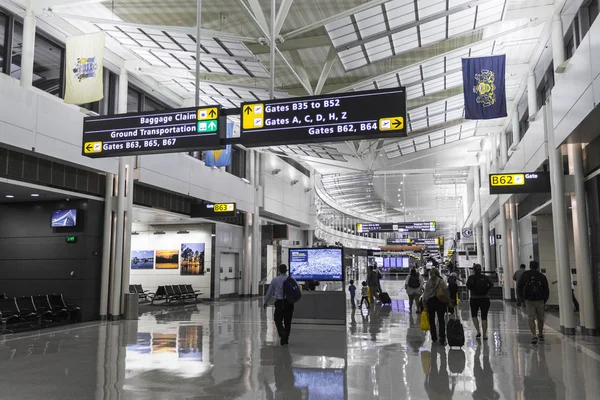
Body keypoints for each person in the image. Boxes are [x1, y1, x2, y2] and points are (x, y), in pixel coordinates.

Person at [263, 264, 297, 346]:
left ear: (278, 270)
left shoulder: (275, 280)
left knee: (277, 319)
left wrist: (265, 301)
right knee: (287, 321)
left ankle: (282, 333)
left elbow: (269, 292)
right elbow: (297, 291)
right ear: (286, 270)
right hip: (289, 302)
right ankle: (285, 338)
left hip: (279, 302)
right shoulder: (292, 279)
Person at [517, 260, 550, 344]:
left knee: (531, 318)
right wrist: (544, 300)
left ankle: (534, 335)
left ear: (530, 266)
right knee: (540, 318)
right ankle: (541, 333)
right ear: (537, 266)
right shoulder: (541, 276)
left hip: (529, 300)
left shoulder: (525, 275)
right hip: (540, 300)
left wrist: (522, 298)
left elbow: (519, 287)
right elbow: (546, 289)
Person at [466, 264, 494, 340]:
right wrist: (486, 290)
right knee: (484, 316)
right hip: (485, 298)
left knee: (474, 315)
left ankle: (478, 331)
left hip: (474, 298)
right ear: (481, 269)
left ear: (473, 270)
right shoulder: (485, 277)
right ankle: (484, 335)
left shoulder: (471, 277)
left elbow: (468, 286)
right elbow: (491, 284)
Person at [422, 268, 449, 345]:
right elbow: (446, 290)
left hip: (430, 302)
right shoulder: (441, 281)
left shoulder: (428, 282)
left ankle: (434, 338)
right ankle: (442, 338)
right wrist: (448, 301)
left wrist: (424, 304)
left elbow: (425, 294)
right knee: (441, 320)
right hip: (440, 302)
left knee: (432, 320)